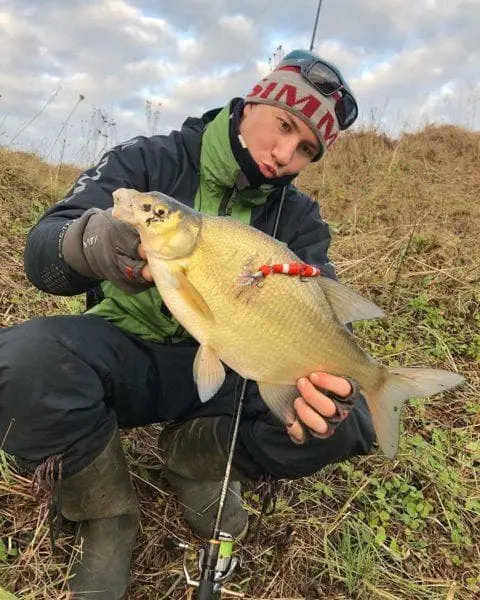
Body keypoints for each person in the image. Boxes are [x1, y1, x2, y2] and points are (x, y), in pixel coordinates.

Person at [0, 49, 375, 599]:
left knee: (347, 421)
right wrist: (92, 242)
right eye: (284, 126)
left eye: (305, 151)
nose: (284, 154)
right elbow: (43, 255)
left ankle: (196, 460)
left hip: (228, 370)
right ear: (255, 100)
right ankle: (105, 513)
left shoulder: (299, 220)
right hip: (124, 352)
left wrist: (327, 387)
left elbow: (319, 311)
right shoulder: (151, 161)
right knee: (20, 361)